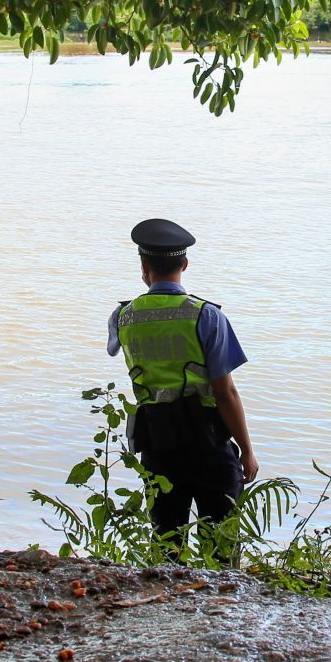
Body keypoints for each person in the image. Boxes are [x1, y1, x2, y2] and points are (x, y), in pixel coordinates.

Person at [108, 218, 258, 558]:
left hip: (158, 443)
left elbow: (116, 349)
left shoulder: (123, 317)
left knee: (165, 542)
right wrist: (247, 450)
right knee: (220, 542)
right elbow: (225, 393)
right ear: (185, 264)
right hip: (208, 441)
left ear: (143, 267)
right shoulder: (207, 316)